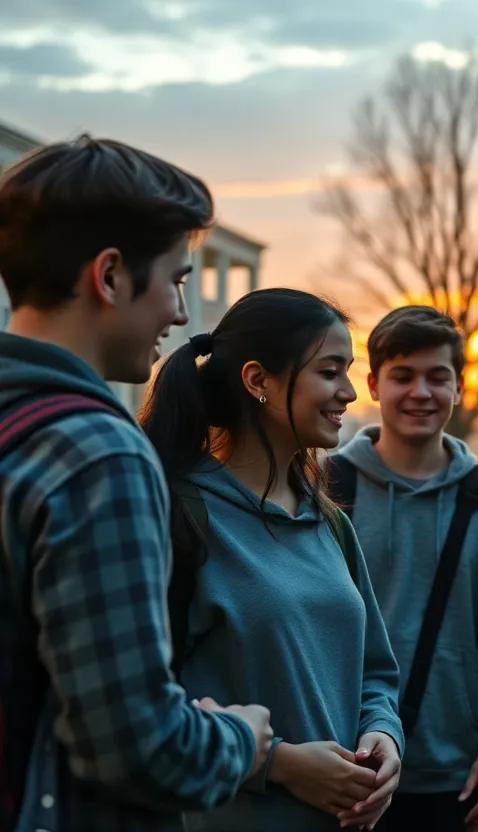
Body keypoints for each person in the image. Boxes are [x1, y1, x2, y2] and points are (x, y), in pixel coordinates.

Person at [0, 136, 272, 832]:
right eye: (177, 279)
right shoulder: (97, 456)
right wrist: (240, 737)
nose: (182, 313)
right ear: (112, 276)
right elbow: (136, 747)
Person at [139, 288, 404, 831]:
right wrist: (277, 764)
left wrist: (383, 731)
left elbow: (375, 670)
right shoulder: (176, 517)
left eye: (348, 372)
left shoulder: (330, 522)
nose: (350, 393)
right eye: (330, 372)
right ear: (258, 380)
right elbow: (139, 705)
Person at [327, 306, 478, 832]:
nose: (421, 392)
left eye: (438, 377)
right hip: (344, 765)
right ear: (372, 384)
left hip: (454, 772)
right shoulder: (324, 488)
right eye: (402, 376)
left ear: (459, 387)